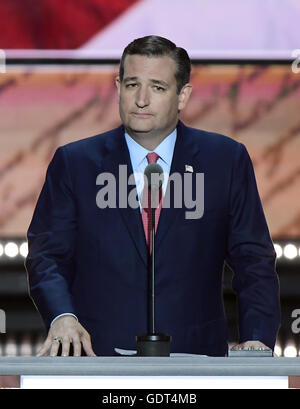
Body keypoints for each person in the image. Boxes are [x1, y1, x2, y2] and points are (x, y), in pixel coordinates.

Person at [25, 35, 280, 357]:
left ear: (182, 95)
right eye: (132, 85)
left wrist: (257, 338)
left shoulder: (225, 161)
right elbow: (47, 256)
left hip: (197, 361)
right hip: (94, 358)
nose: (141, 99)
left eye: (157, 87)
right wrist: (62, 316)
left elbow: (253, 260)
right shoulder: (74, 163)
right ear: (118, 87)